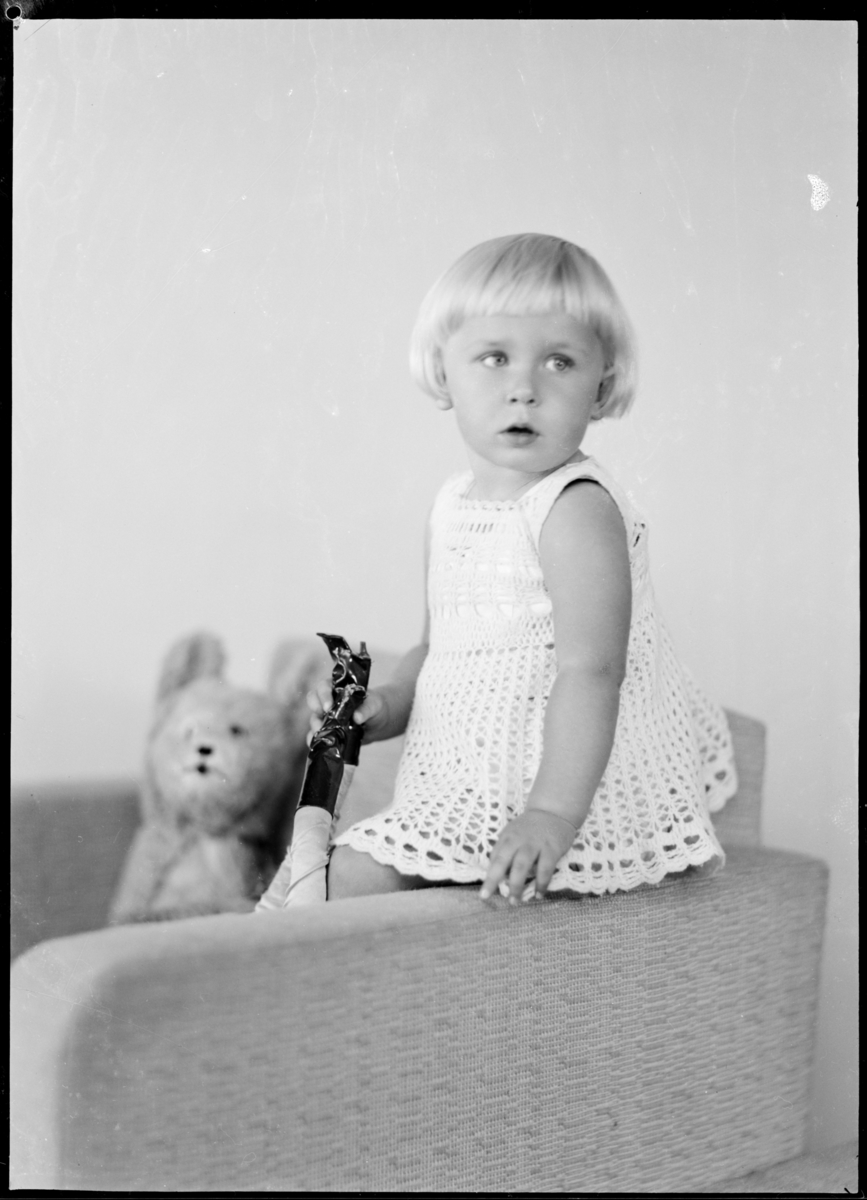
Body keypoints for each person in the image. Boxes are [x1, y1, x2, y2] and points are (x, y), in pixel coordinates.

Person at [314, 232, 737, 905]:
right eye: (494, 357)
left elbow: (592, 672)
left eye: (559, 362)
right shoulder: (450, 505)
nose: (523, 390)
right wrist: (385, 707)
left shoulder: (573, 509)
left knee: (347, 882)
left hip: (564, 792)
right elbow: (434, 648)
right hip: (469, 784)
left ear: (601, 386)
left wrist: (550, 816)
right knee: (330, 877)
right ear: (443, 372)